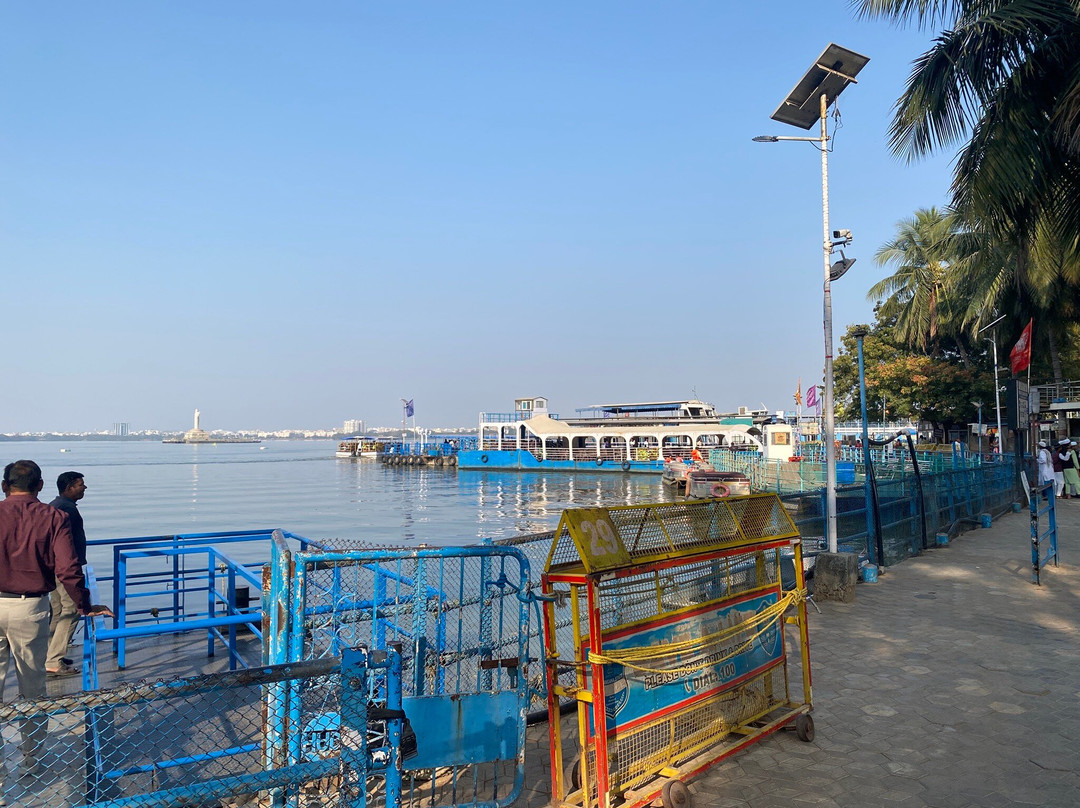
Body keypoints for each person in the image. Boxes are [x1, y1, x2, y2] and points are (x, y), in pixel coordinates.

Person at [0, 460, 112, 780]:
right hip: (28, 608)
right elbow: (67, 569)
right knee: (32, 687)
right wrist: (85, 605)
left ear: (5, 486)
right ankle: (32, 760)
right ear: (40, 486)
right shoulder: (54, 517)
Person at [46, 471, 87, 677]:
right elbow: (64, 544)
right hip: (65, 569)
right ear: (69, 487)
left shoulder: (55, 505)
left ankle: (50, 654)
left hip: (55, 569)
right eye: (81, 485)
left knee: (58, 610)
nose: (84, 488)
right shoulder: (66, 509)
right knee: (71, 611)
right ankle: (54, 659)